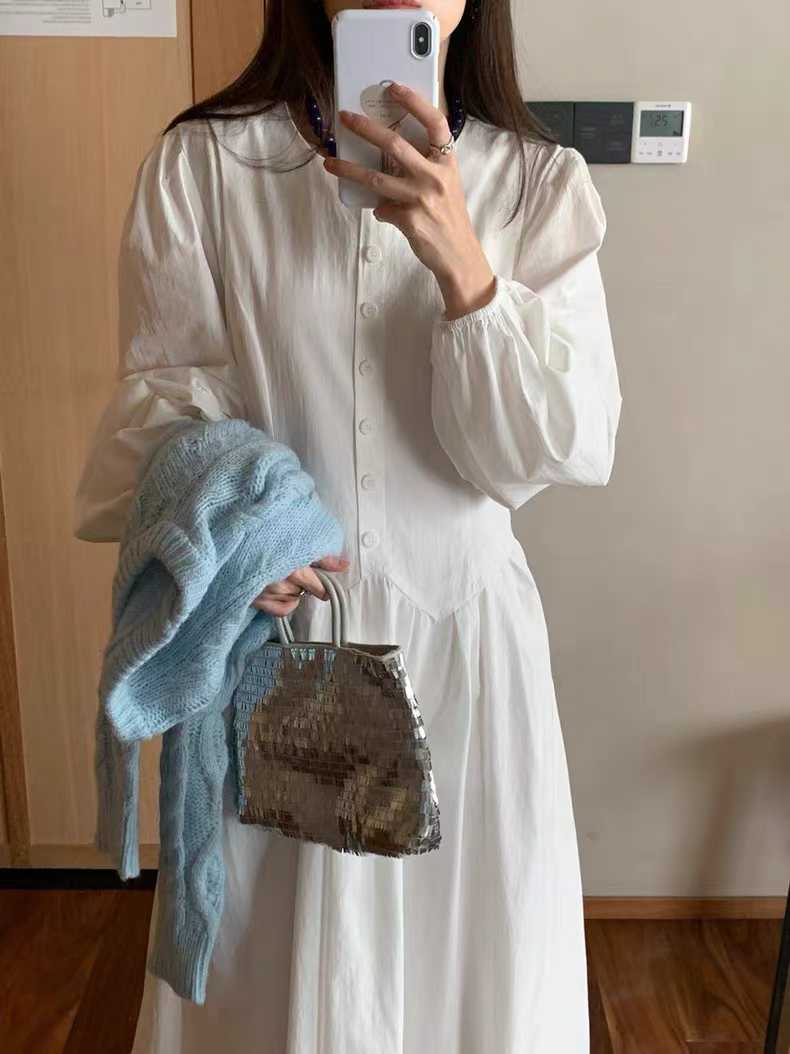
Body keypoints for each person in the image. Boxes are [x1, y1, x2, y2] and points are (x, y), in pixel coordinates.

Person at [74, 1, 622, 1051]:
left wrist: (466, 268)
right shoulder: (206, 166)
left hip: (467, 658)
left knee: (472, 979)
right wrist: (239, 536)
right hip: (277, 648)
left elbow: (556, 447)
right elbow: (165, 407)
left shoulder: (538, 183)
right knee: (269, 981)